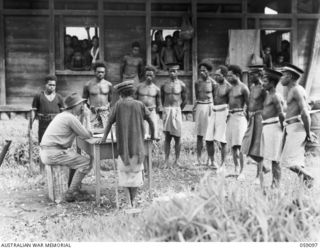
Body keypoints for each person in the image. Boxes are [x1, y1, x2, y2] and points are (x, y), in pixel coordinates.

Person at [99, 80, 155, 210]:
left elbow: (108, 122)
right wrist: (153, 135)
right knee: (136, 174)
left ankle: (128, 203)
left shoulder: (118, 105)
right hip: (138, 147)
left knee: (124, 174)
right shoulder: (140, 105)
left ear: (121, 95)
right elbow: (151, 120)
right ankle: (133, 201)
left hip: (123, 148)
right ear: (132, 93)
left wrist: (103, 138)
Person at [39, 93, 92, 202]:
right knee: (86, 163)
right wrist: (87, 117)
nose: (83, 107)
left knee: (77, 157)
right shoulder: (70, 118)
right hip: (53, 153)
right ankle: (71, 192)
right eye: (81, 104)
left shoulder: (64, 115)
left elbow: (80, 129)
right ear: (75, 106)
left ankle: (74, 188)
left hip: (48, 151)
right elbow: (87, 135)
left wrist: (83, 116)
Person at [279, 63, 317, 187]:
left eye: (283, 75)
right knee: (294, 160)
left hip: (296, 128)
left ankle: (309, 178)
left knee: (288, 161)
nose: (281, 78)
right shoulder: (293, 90)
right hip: (291, 128)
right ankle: (304, 185)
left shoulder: (296, 90)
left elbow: (305, 112)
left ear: (289, 76)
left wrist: (308, 131)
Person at [241, 65, 267, 183]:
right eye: (250, 74)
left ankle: (258, 175)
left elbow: (267, 104)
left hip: (259, 118)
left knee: (258, 147)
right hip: (250, 117)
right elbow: (250, 102)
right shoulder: (252, 86)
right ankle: (264, 167)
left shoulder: (263, 88)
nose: (250, 76)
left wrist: (260, 115)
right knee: (245, 145)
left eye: (253, 74)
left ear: (259, 74)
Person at [260, 68, 285, 188]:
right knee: (268, 156)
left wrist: (283, 129)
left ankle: (276, 185)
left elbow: (281, 114)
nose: (262, 83)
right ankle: (272, 181)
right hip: (267, 127)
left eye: (264, 81)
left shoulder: (276, 96)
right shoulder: (268, 95)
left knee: (276, 159)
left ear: (271, 83)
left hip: (275, 128)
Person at [205, 65, 231, 171]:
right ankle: (212, 161)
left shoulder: (228, 87)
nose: (216, 77)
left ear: (224, 75)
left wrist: (229, 114)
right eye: (215, 75)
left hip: (224, 112)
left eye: (218, 75)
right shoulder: (215, 86)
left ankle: (223, 164)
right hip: (214, 112)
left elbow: (231, 101)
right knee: (208, 139)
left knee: (223, 140)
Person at [161, 63, 187, 168]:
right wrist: (166, 110)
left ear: (178, 72)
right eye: (171, 71)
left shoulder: (182, 85)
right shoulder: (164, 85)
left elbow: (185, 100)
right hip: (167, 109)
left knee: (177, 137)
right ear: (168, 72)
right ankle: (166, 160)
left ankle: (177, 160)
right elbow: (162, 99)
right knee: (167, 137)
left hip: (177, 110)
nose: (172, 73)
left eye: (175, 71)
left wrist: (178, 110)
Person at [226, 65, 250, 177]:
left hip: (240, 117)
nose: (229, 78)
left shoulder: (243, 88)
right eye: (228, 76)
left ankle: (242, 171)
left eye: (231, 76)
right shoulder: (230, 88)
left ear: (237, 75)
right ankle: (236, 168)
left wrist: (249, 122)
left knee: (240, 145)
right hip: (231, 116)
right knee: (233, 146)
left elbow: (249, 105)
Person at [193, 61, 216, 166]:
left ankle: (211, 159)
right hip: (200, 107)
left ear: (209, 71)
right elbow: (197, 95)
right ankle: (198, 159)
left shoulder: (213, 83)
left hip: (209, 107)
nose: (202, 72)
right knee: (199, 135)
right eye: (200, 70)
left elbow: (215, 97)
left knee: (209, 135)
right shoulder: (197, 83)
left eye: (204, 70)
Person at [32, 75, 64, 144]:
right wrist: (30, 126)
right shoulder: (38, 96)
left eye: (54, 85)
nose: (52, 87)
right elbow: (33, 112)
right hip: (43, 123)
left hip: (56, 124)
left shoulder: (59, 97)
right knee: (43, 144)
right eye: (50, 85)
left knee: (56, 144)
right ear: (45, 85)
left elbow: (63, 114)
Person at [82, 61, 113, 130]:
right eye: (98, 72)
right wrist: (87, 112)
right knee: (92, 133)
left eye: (102, 72)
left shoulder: (109, 85)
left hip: (105, 113)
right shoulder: (88, 85)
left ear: (105, 73)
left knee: (106, 134)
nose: (100, 74)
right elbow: (84, 101)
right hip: (93, 113)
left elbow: (111, 101)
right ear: (94, 72)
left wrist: (111, 114)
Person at [135, 65, 161, 139]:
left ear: (154, 76)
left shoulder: (156, 89)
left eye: (151, 75)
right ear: (144, 75)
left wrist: (158, 116)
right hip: (140, 111)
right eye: (147, 75)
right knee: (141, 132)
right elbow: (134, 100)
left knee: (153, 133)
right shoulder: (139, 87)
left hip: (151, 111)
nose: (149, 77)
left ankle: (151, 149)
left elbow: (159, 105)